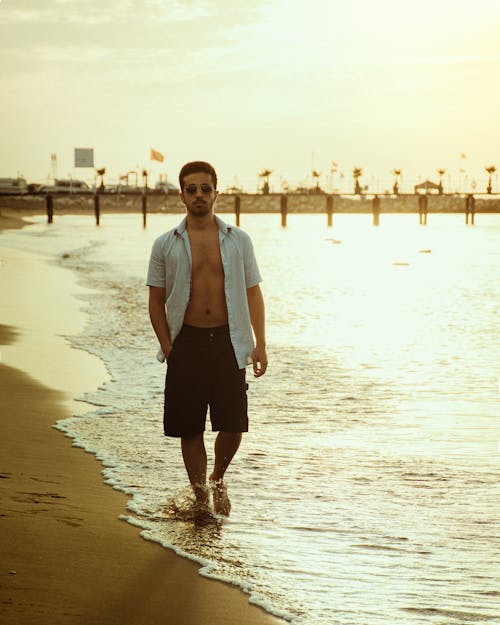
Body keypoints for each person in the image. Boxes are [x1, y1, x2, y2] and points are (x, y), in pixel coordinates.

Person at [146, 161, 267, 516]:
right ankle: (201, 495)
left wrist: (260, 344)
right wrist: (169, 347)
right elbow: (155, 300)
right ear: (181, 194)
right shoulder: (165, 244)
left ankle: (217, 477)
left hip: (229, 342)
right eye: (191, 189)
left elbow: (253, 293)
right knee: (190, 425)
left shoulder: (238, 240)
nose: (199, 195)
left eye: (205, 188)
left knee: (233, 424)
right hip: (187, 342)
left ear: (216, 192)